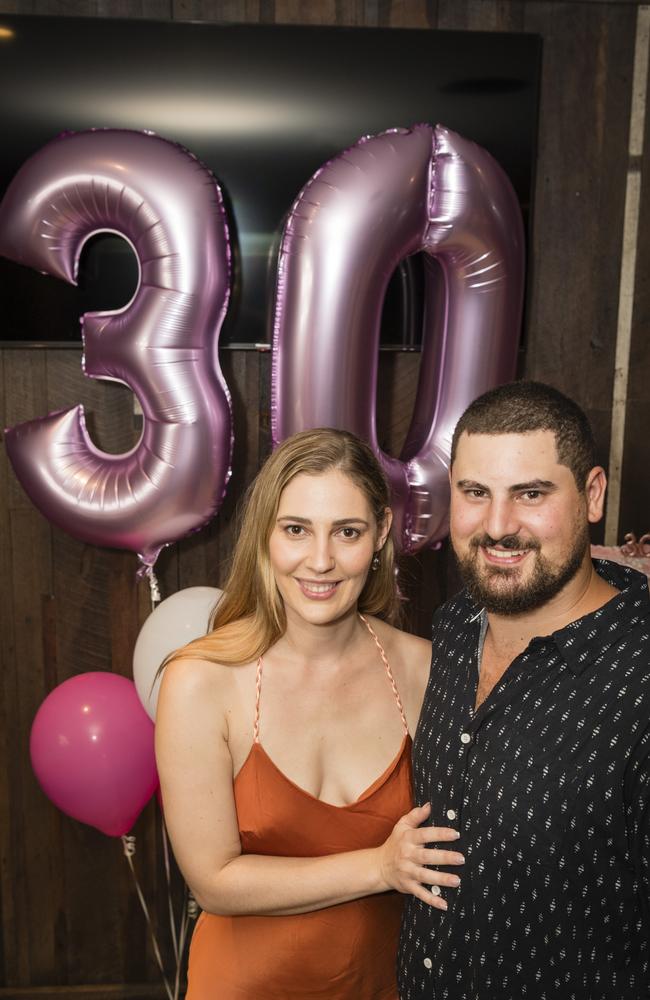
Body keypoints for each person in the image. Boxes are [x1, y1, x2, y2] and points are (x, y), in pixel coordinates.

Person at [155, 428, 465, 1000]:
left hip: (387, 987)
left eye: (346, 532)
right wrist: (379, 867)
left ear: (380, 536)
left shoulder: (425, 668)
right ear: (265, 537)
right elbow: (215, 882)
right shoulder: (199, 681)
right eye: (296, 530)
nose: (320, 561)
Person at [398, 380, 650, 1000]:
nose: (499, 527)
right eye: (475, 493)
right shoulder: (455, 625)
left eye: (531, 494)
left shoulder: (639, 674)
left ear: (592, 495)